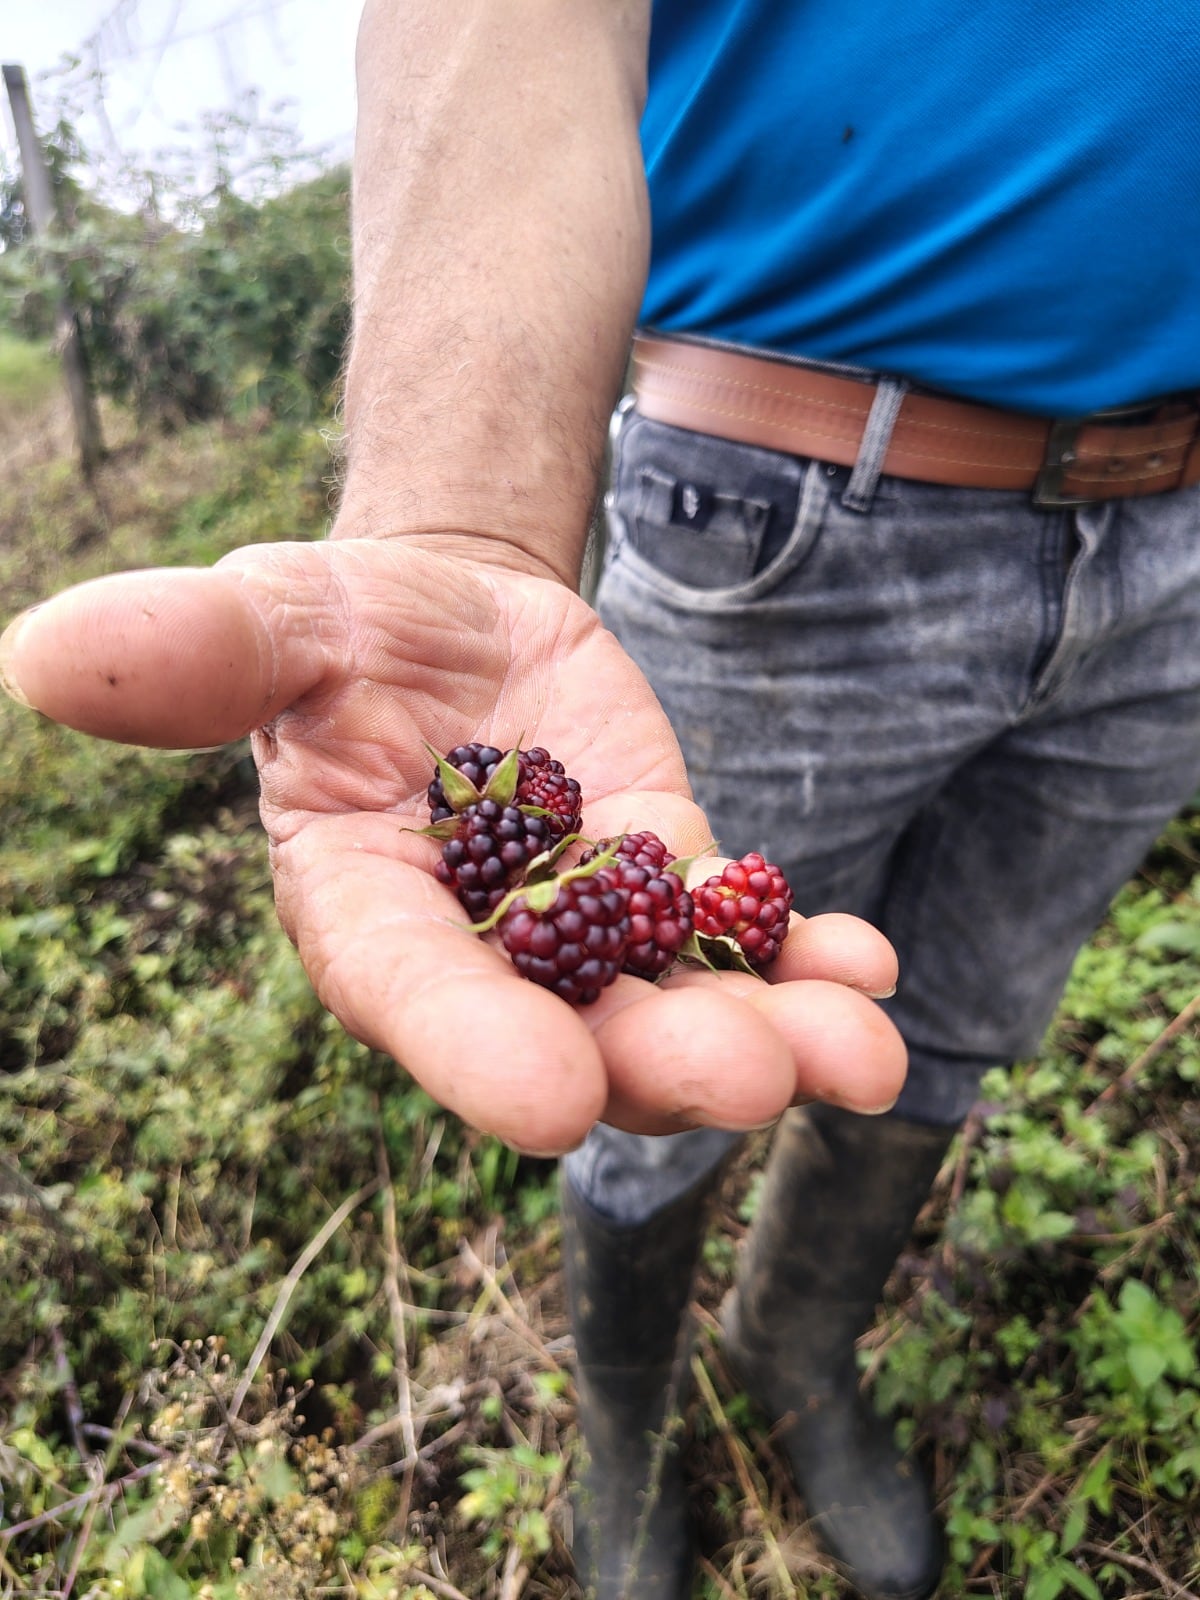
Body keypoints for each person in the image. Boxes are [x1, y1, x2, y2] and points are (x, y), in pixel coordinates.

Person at [3, 3, 1200, 1597]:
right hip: (788, 505)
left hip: (1180, 541)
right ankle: (622, 1429)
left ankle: (797, 1351)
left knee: (950, 1023)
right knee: (673, 1068)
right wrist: (459, 512)